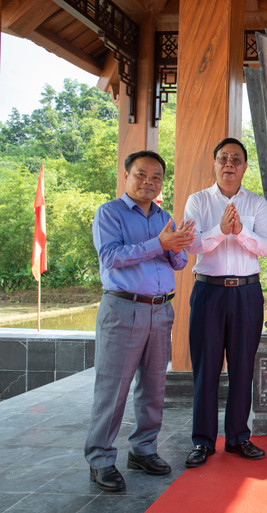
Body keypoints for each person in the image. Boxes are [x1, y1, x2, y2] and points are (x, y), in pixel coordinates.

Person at [85, 150, 195, 492]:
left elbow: (178, 264)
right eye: (141, 175)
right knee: (113, 387)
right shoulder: (110, 213)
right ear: (127, 176)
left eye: (156, 177)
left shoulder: (164, 217)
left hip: (161, 309)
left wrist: (176, 246)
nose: (149, 182)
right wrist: (157, 243)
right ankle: (101, 459)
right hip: (124, 308)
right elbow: (111, 257)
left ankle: (144, 449)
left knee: (153, 386)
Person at [183, 138, 267, 467]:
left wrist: (240, 231)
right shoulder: (199, 201)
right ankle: (203, 442)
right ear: (215, 164)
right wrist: (221, 231)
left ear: (245, 166)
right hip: (209, 292)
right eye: (223, 158)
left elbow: (264, 247)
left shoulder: (258, 204)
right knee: (206, 368)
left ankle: (238, 437)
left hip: (247, 293)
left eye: (236, 159)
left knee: (242, 367)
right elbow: (191, 245)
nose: (229, 164)